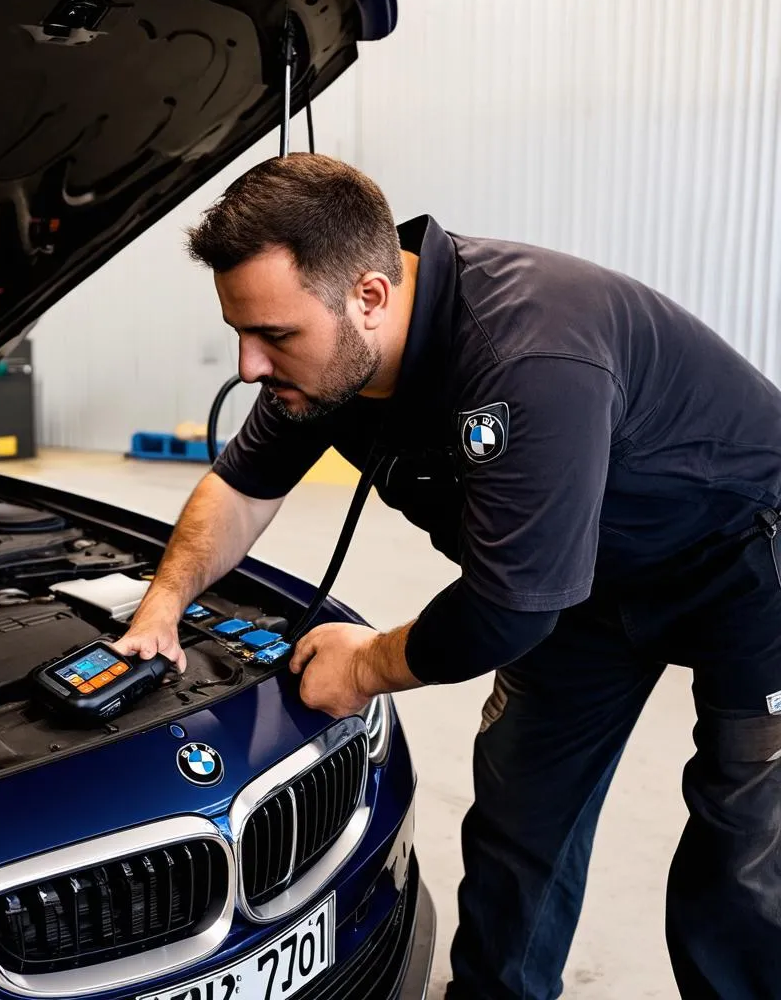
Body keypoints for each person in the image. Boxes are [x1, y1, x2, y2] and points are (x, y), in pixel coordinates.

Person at [114, 152, 781, 999]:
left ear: (370, 296)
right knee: (519, 822)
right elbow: (241, 487)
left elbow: (505, 609)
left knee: (744, 847)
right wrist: (163, 603)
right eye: (241, 334)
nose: (249, 365)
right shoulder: (327, 364)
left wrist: (364, 663)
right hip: (578, 584)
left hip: (746, 559)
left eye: (275, 336)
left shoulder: (529, 352)